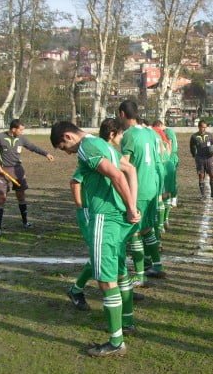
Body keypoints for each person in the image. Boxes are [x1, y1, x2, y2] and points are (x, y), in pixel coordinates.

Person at [51, 121, 140, 357]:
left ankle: (116, 342)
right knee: (120, 270)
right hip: (118, 217)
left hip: (105, 217)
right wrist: (133, 205)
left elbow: (117, 176)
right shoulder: (101, 143)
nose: (68, 153)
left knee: (105, 279)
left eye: (63, 147)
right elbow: (130, 170)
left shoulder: (85, 148)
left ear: (68, 137)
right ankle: (127, 322)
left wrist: (132, 207)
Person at [0, 119, 54, 237]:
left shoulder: (22, 139)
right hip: (3, 171)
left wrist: (46, 154)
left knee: (21, 196)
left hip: (18, 170)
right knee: (1, 198)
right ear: (13, 129)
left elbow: (32, 147)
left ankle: (25, 222)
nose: (22, 132)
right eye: (20, 130)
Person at [119, 101, 165, 282]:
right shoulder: (151, 132)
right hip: (153, 185)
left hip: (138, 187)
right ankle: (157, 265)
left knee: (135, 231)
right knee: (147, 228)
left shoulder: (128, 135)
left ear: (122, 114)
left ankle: (139, 276)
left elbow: (125, 163)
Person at [189, 120, 213, 199]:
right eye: (202, 127)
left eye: (205, 127)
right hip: (200, 159)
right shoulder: (194, 136)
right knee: (201, 176)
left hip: (209, 159)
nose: (204, 129)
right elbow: (191, 147)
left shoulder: (210, 135)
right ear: (199, 127)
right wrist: (195, 156)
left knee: (212, 175)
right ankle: (202, 195)